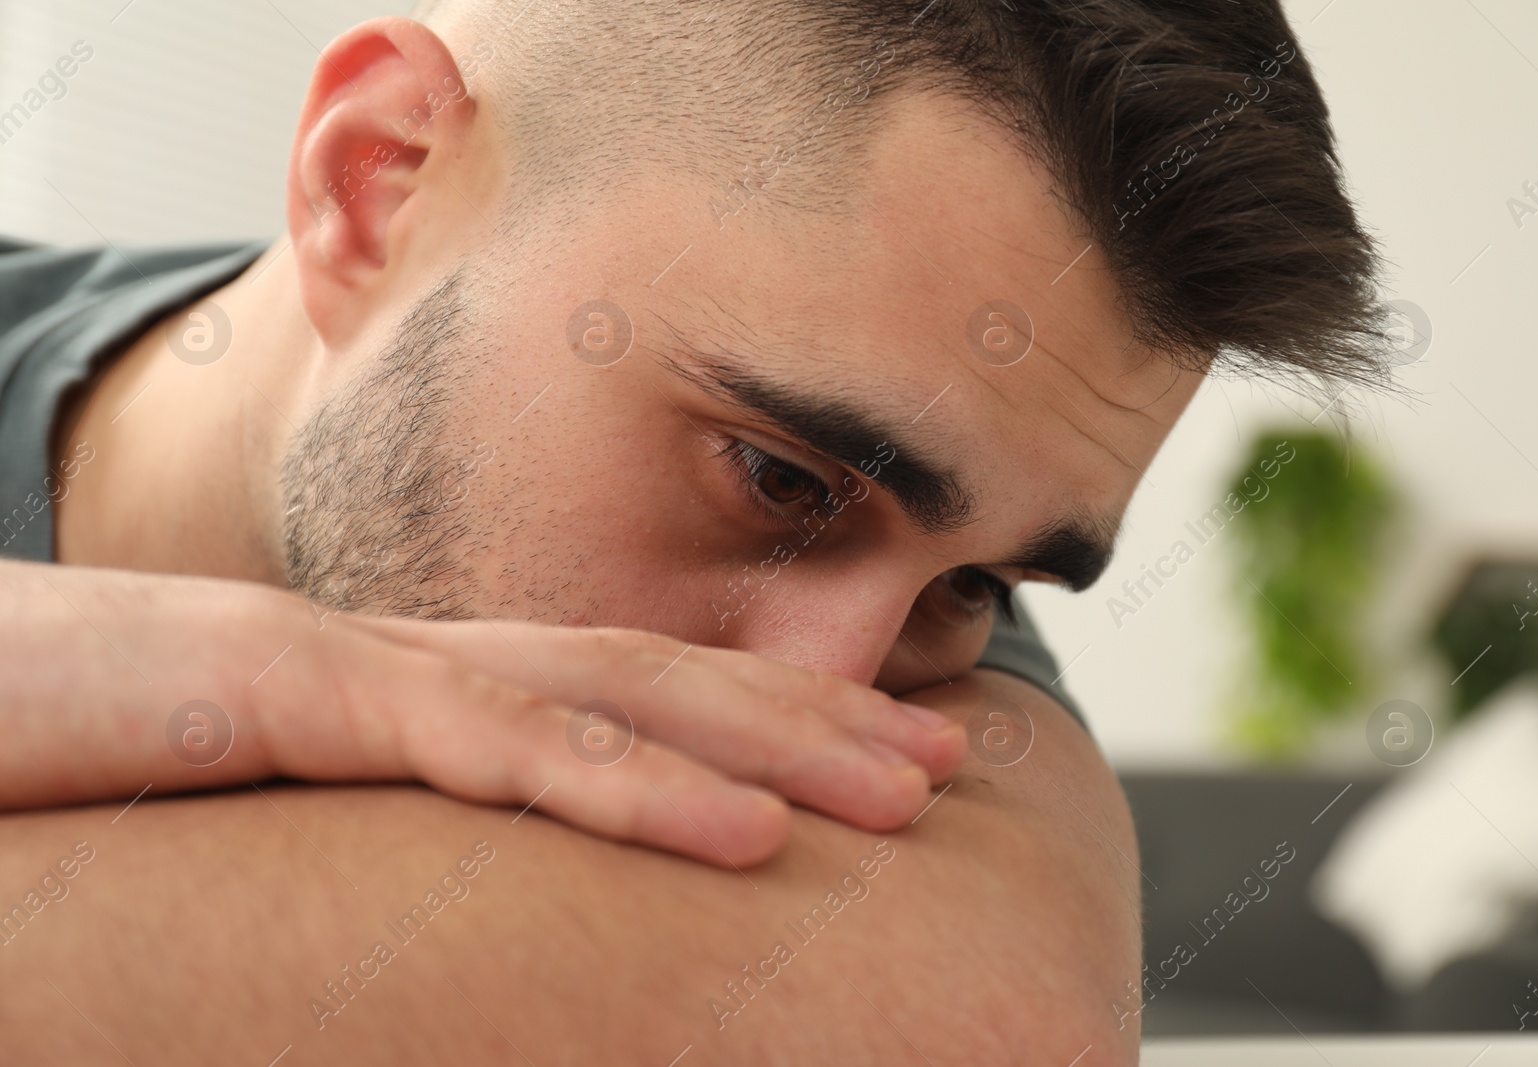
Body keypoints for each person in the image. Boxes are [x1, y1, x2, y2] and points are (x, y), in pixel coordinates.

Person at [0, 0, 1387, 1061]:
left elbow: (975, 1013)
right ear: (376, 186)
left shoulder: (917, 672)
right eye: (782, 482)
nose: (822, 695)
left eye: (978, 585)